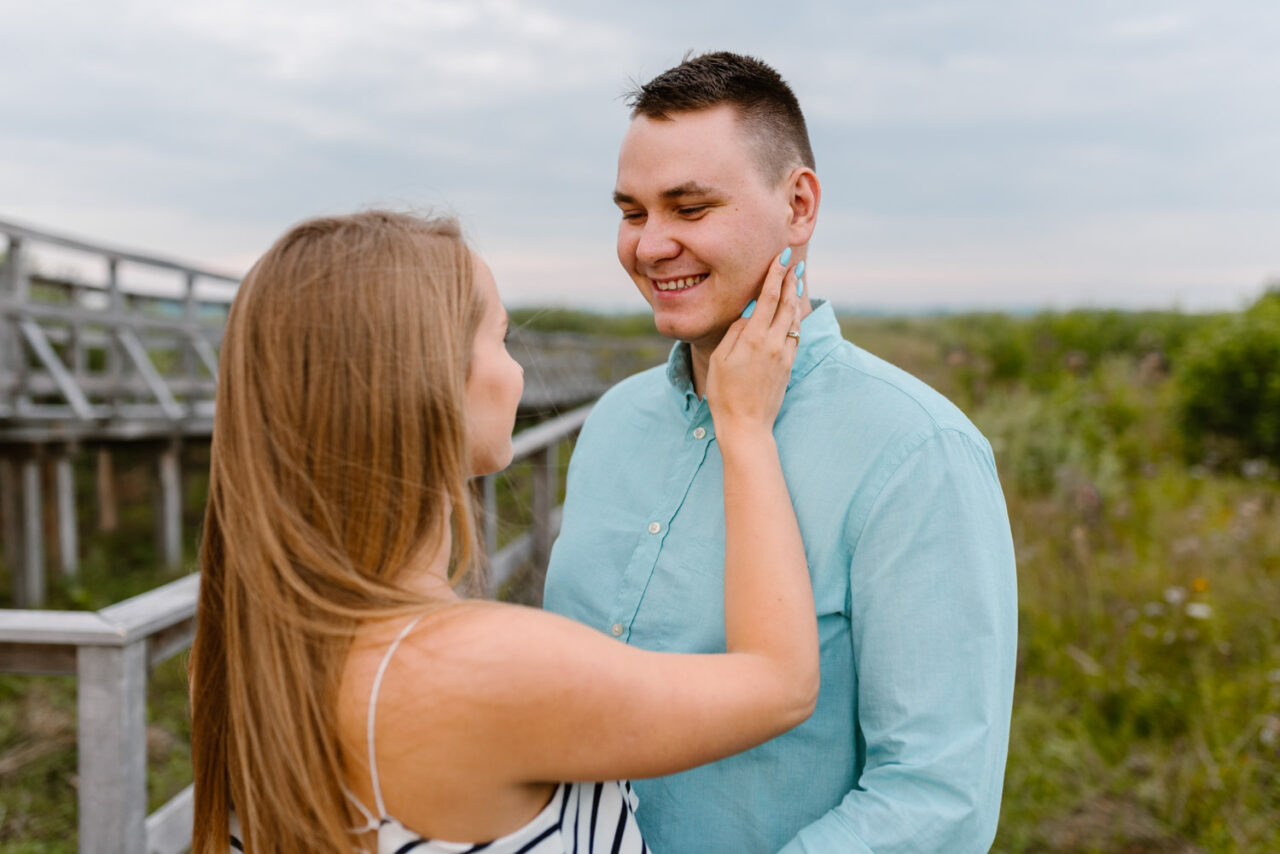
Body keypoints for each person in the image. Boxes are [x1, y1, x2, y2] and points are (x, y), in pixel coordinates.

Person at [188, 210, 818, 854]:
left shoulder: (273, 641)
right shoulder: (476, 668)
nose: (516, 371)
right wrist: (744, 426)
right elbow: (781, 685)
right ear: (431, 379)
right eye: (502, 338)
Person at [543, 52, 1019, 853]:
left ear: (798, 205)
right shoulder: (615, 422)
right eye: (632, 212)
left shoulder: (917, 453)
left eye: (689, 208)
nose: (651, 246)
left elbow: (936, 800)